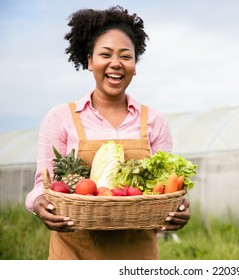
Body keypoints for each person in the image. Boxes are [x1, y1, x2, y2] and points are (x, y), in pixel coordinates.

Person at [25, 5, 190, 260]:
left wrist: (177, 206)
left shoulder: (154, 120)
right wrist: (38, 204)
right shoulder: (60, 117)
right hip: (73, 254)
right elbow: (42, 184)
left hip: (137, 256)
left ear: (135, 64)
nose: (116, 64)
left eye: (126, 56)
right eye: (105, 55)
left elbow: (167, 185)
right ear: (89, 61)